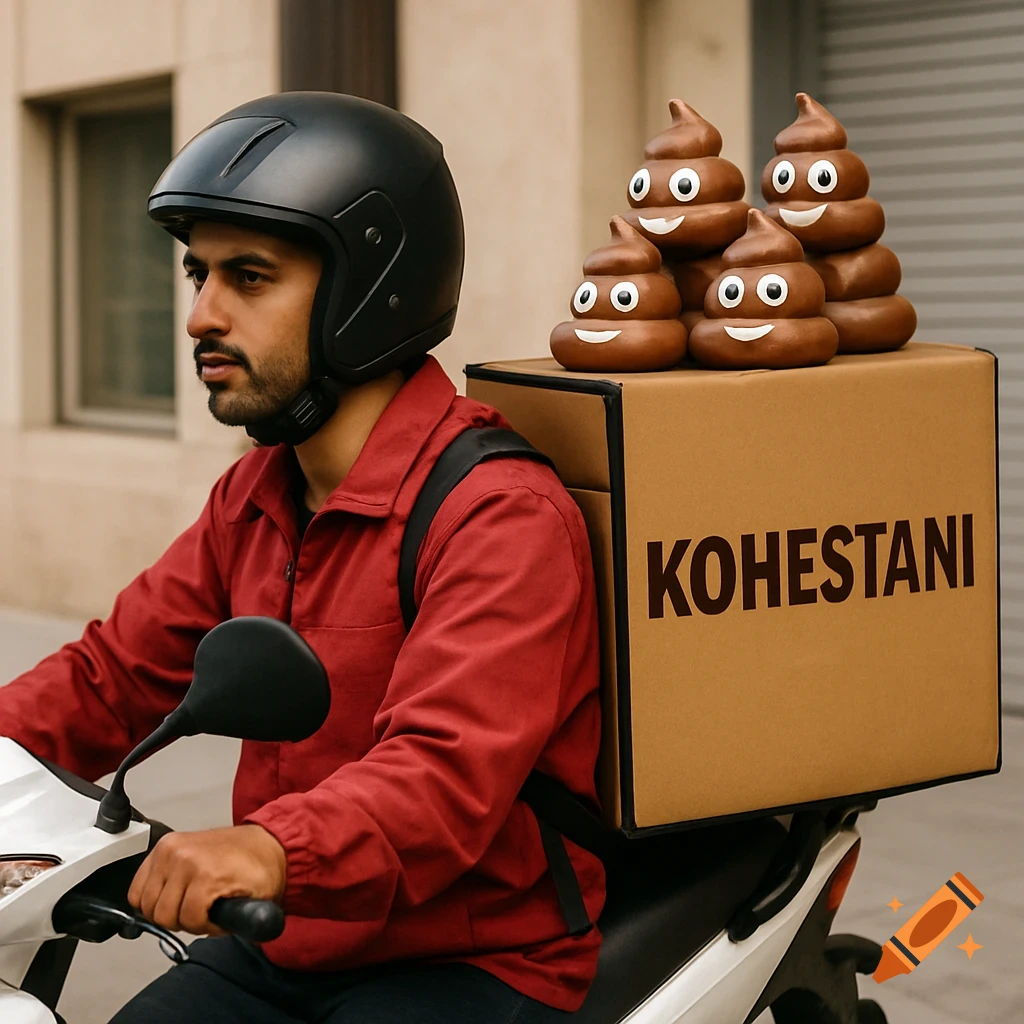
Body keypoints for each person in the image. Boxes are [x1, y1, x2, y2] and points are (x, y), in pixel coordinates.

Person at [0, 92, 604, 1022]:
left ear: (371, 291)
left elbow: (439, 777)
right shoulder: (257, 496)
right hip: (286, 938)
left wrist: (269, 850)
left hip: (471, 960)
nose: (201, 314)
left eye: (248, 277)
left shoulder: (498, 515)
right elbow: (110, 677)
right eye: (197, 274)